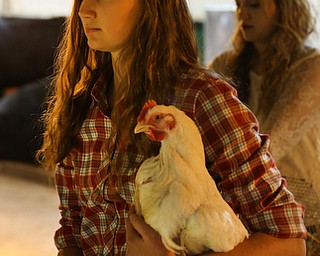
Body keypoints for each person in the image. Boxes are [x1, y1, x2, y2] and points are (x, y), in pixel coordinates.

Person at [37, 0, 307, 255]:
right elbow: (73, 228)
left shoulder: (203, 98)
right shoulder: (82, 106)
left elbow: (288, 242)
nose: (85, 10)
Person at [209, 0, 320, 254]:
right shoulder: (224, 65)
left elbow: (270, 147)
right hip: (240, 216)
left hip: (302, 216)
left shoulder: (311, 66)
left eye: (254, 5)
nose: (242, 12)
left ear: (285, 8)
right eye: (238, 4)